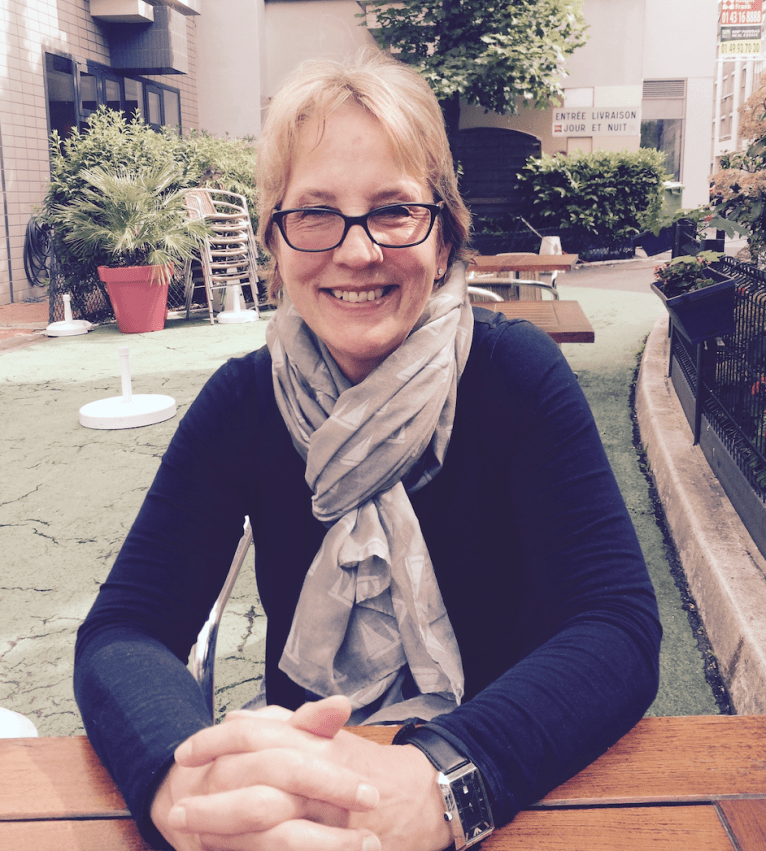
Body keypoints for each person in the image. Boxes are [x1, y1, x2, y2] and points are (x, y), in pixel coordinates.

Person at [74, 53, 661, 851]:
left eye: (393, 210)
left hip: (504, 790)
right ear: (274, 242)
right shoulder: (242, 403)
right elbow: (124, 629)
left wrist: (440, 780)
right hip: (298, 803)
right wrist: (181, 779)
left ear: (444, 234)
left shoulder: (515, 376)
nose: (357, 252)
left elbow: (615, 626)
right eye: (315, 213)